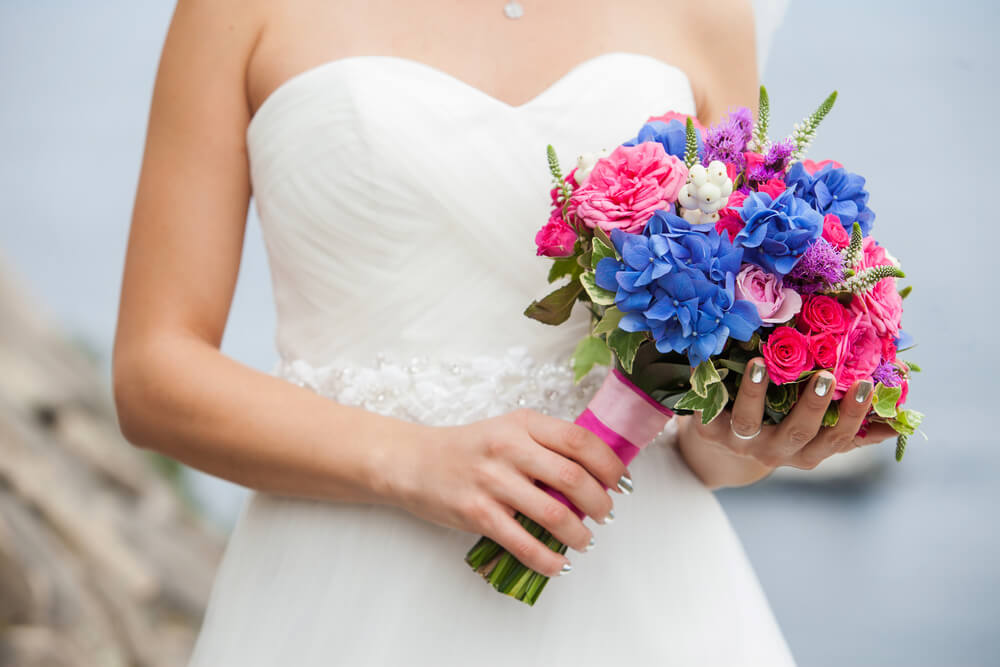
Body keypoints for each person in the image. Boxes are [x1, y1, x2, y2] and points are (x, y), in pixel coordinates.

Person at [113, 0, 896, 663]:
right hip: (339, 587)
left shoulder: (707, 11)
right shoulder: (231, 13)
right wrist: (410, 459)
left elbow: (701, 416)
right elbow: (153, 371)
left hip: (644, 590)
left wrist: (742, 436)